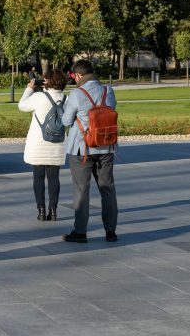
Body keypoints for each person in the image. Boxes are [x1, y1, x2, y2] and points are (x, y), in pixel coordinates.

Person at [60, 59, 118, 244]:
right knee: (107, 189)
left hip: (82, 148)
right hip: (106, 146)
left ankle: (80, 232)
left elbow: (66, 121)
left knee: (82, 190)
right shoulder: (108, 91)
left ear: (78, 75)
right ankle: (110, 231)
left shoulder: (76, 94)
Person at [18, 68, 67, 221]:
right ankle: (53, 211)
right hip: (57, 143)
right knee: (54, 178)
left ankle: (41, 210)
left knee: (38, 178)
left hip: (39, 143)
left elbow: (22, 106)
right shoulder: (67, 98)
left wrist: (29, 88)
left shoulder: (39, 97)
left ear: (48, 81)